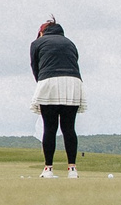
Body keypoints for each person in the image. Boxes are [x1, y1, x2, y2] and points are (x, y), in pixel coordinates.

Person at [31, 18, 83, 178]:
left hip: (49, 82)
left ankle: (48, 169)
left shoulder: (37, 43)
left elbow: (36, 68)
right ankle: (72, 169)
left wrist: (42, 86)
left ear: (41, 32)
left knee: (50, 128)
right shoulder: (70, 42)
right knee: (69, 128)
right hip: (73, 83)